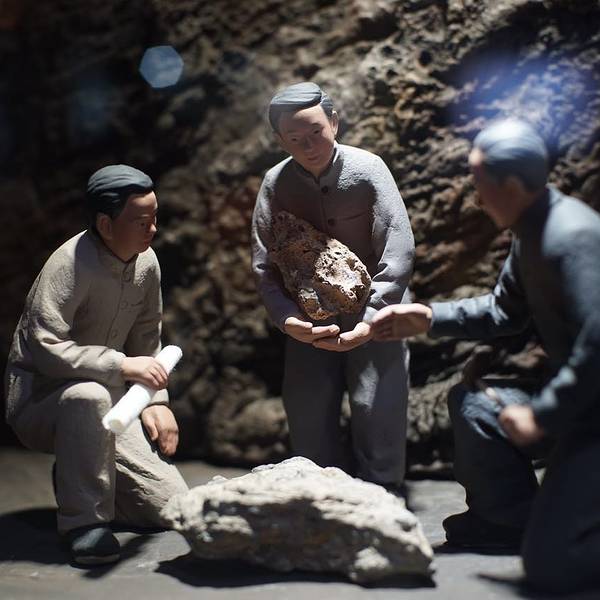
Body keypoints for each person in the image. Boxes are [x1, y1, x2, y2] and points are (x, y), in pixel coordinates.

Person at [371, 119, 600, 593]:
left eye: (480, 185)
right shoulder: (530, 233)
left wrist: (543, 414)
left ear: (511, 186)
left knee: (552, 567)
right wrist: (429, 318)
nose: (476, 199)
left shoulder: (572, 237)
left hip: (590, 412)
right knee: (476, 407)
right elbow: (503, 311)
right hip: (577, 401)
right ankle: (507, 521)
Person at [4, 165, 188, 566]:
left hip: (112, 399)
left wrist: (155, 400)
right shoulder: (68, 265)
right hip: (44, 398)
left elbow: (147, 338)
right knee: (86, 396)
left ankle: (78, 474)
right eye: (141, 221)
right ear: (106, 224)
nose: (153, 229)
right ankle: (83, 523)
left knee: (172, 505)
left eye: (154, 218)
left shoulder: (147, 263)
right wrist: (121, 365)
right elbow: (46, 347)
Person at [251, 82, 415, 489]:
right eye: (295, 139)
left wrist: (373, 317)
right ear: (280, 140)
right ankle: (319, 491)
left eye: (316, 132)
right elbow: (264, 262)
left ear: (334, 123)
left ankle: (383, 491)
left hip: (377, 307)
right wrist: (288, 318)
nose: (309, 146)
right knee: (308, 407)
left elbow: (398, 248)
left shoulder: (368, 169)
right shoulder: (276, 183)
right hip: (309, 315)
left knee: (378, 404)